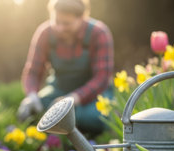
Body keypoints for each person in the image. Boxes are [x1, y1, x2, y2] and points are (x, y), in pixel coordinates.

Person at [17, 0, 114, 134]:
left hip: (93, 95)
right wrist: (32, 96)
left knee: (94, 118)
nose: (60, 28)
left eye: (67, 24)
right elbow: (33, 72)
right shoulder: (45, 33)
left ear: (82, 18)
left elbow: (102, 78)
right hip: (59, 90)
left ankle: (70, 130)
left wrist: (72, 99)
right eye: (57, 21)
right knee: (32, 111)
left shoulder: (98, 33)